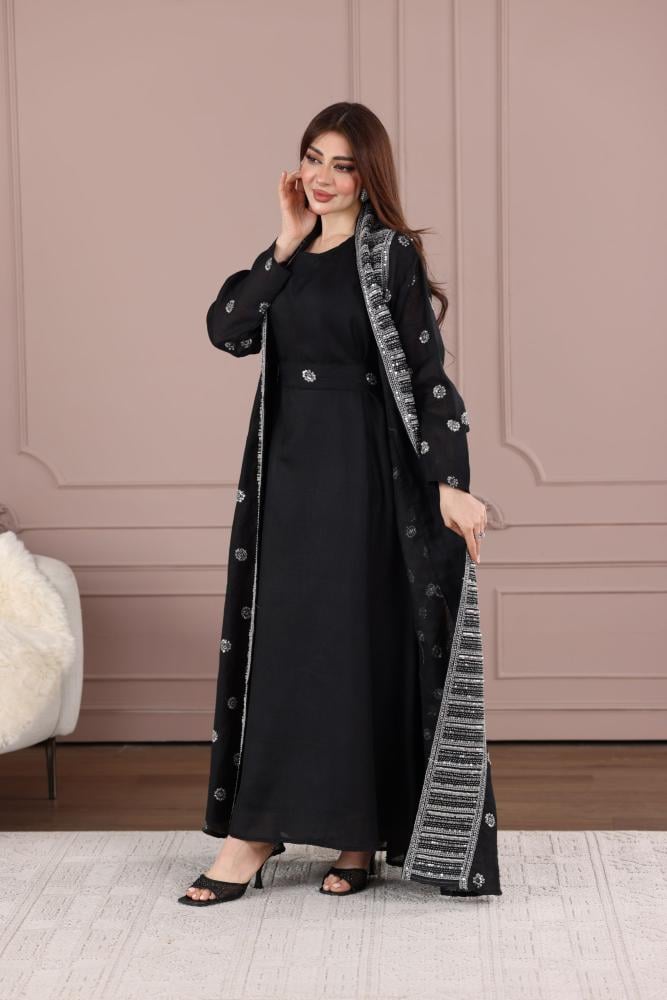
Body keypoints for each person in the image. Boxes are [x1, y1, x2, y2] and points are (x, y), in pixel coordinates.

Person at [179, 103, 496, 907]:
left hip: (367, 474)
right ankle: (257, 831)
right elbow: (228, 331)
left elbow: (425, 375)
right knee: (288, 645)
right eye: (312, 158)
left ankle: (358, 836)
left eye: (342, 165)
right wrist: (285, 240)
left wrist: (449, 483)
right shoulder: (285, 258)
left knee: (358, 648)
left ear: (367, 175)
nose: (321, 177)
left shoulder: (389, 255)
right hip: (288, 473)